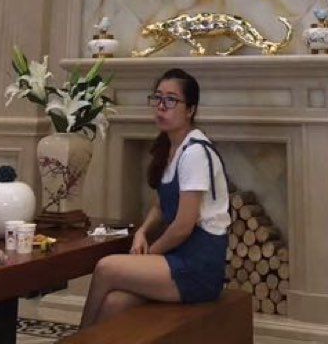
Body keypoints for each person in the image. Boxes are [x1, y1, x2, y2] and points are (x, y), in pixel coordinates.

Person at [81, 68, 230, 325]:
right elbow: (161, 206)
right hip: (176, 257)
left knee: (106, 268)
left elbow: (183, 227)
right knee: (114, 302)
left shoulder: (195, 153)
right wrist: (142, 232)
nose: (161, 106)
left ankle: (78, 338)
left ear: (190, 109)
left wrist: (151, 253)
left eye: (171, 100)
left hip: (198, 266)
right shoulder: (171, 148)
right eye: (158, 98)